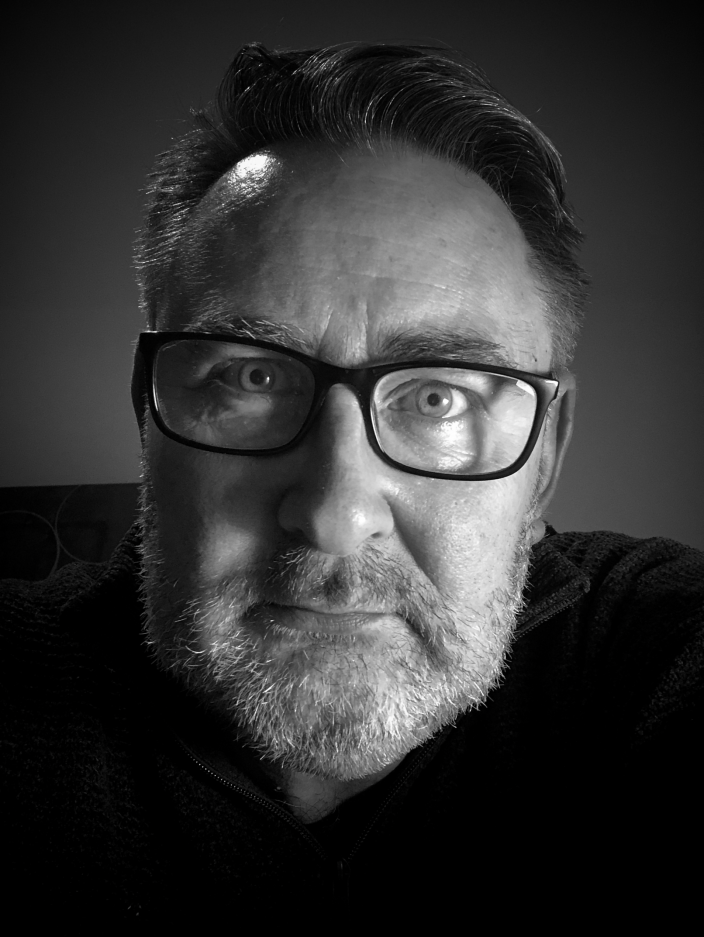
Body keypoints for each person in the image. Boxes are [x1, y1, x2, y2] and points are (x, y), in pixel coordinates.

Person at [2, 41, 702, 924]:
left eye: (439, 397)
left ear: (545, 457)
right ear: (150, 415)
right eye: (251, 377)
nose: (336, 514)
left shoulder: (652, 649)